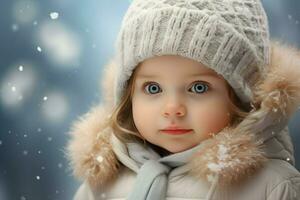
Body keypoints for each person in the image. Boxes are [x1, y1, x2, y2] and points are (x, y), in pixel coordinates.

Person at [66, 0, 300, 199]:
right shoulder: (103, 183)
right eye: (153, 88)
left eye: (198, 88)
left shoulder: (272, 186)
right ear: (128, 94)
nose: (172, 109)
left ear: (243, 95)